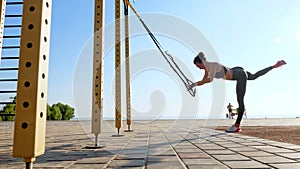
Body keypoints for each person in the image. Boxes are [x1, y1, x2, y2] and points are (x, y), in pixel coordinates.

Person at [188, 52, 286, 132]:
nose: (199, 68)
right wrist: (192, 85)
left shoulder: (213, 65)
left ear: (201, 62)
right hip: (237, 71)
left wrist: (194, 84)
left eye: (198, 66)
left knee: (240, 99)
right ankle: (275, 65)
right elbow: (203, 81)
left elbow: (210, 80)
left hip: (239, 74)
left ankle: (237, 126)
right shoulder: (207, 70)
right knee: (254, 76)